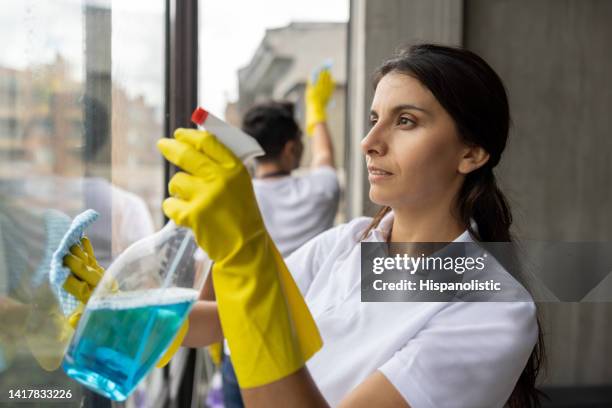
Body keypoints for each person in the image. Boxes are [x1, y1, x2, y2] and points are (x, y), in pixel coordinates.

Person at [68, 44, 544, 407]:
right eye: (374, 118)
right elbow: (226, 320)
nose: (369, 142)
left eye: (406, 121)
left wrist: (247, 258)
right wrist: (119, 305)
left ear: (471, 153)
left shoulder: (494, 310)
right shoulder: (345, 243)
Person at [219, 72, 340, 406]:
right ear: (290, 149)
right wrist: (317, 114)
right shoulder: (320, 193)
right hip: (302, 344)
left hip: (241, 342)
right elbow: (325, 158)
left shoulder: (232, 202)